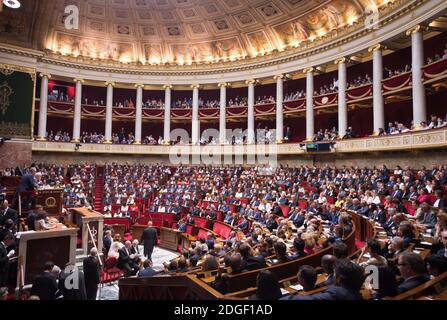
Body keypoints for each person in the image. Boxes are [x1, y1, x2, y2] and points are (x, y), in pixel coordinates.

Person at [282, 260, 365, 300]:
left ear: (339, 279)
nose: (333, 276)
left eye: (334, 273)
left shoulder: (337, 293)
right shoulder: (357, 294)